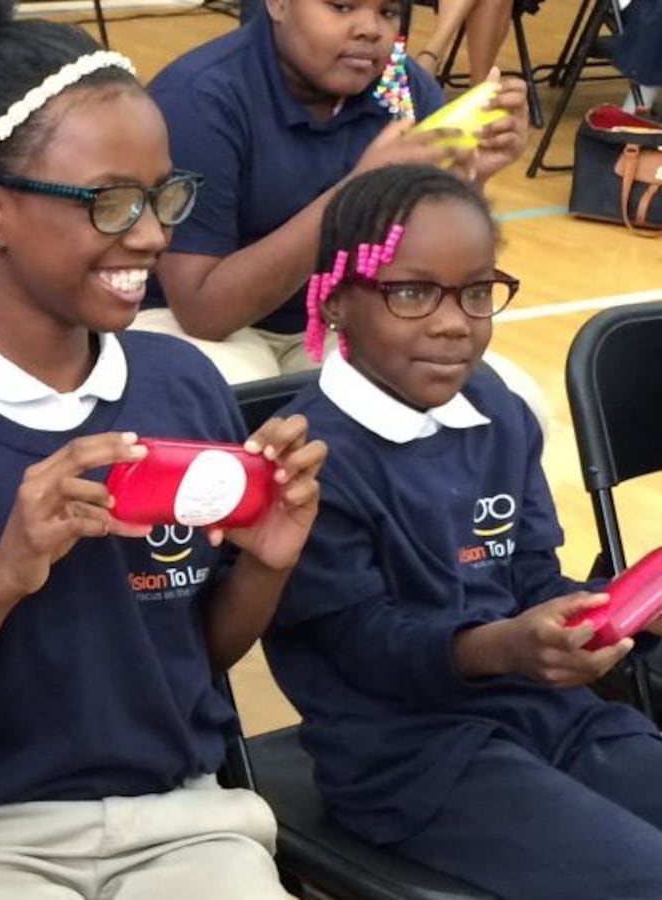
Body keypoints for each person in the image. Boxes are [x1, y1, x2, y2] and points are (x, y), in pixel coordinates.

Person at [0, 1, 328, 896]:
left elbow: (189, 658)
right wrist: (4, 572)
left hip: (188, 823)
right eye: (111, 202)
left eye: (164, 197)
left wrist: (264, 566)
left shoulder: (183, 387)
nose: (153, 233)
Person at [264, 164, 662, 899]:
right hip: (408, 762)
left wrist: (607, 614)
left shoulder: (498, 412)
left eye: (478, 291)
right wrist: (506, 646)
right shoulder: (310, 458)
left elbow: (535, 578)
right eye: (412, 292)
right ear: (338, 300)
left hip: (550, 718)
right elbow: (363, 650)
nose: (454, 321)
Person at [140, 0, 529, 387]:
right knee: (232, 390)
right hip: (192, 324)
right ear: (277, 5)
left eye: (388, 12)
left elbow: (440, 271)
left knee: (508, 396)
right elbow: (203, 313)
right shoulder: (199, 99)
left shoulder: (402, 87)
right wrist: (357, 194)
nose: (370, 29)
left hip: (340, 319)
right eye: (342, 7)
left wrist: (473, 176)